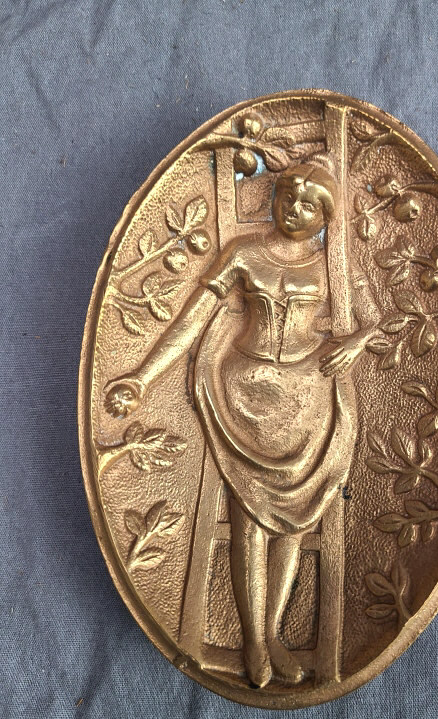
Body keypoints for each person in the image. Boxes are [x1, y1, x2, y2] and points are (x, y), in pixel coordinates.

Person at [105, 158, 380, 688]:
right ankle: (252, 637)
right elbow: (192, 319)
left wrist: (356, 341)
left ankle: (274, 632)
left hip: (309, 396)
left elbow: (380, 319)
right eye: (287, 198)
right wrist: (143, 375)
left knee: (297, 519)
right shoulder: (243, 253)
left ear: (326, 216)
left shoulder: (336, 263)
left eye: (309, 206)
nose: (294, 211)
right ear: (272, 198)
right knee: (248, 516)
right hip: (244, 395)